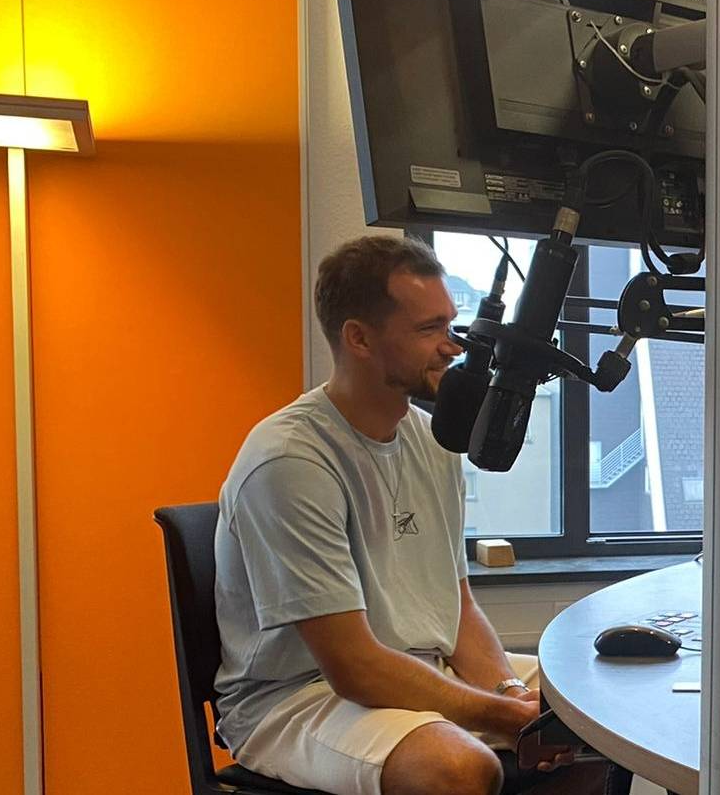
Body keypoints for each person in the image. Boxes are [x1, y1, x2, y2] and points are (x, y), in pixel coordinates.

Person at [212, 236, 606, 795]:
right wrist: (503, 716)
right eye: (428, 331)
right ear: (359, 338)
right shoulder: (291, 461)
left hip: (418, 667)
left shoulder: (434, 439)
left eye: (450, 325)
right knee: (458, 769)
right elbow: (354, 667)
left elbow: (458, 603)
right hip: (301, 696)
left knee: (601, 710)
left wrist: (506, 689)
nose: (452, 347)